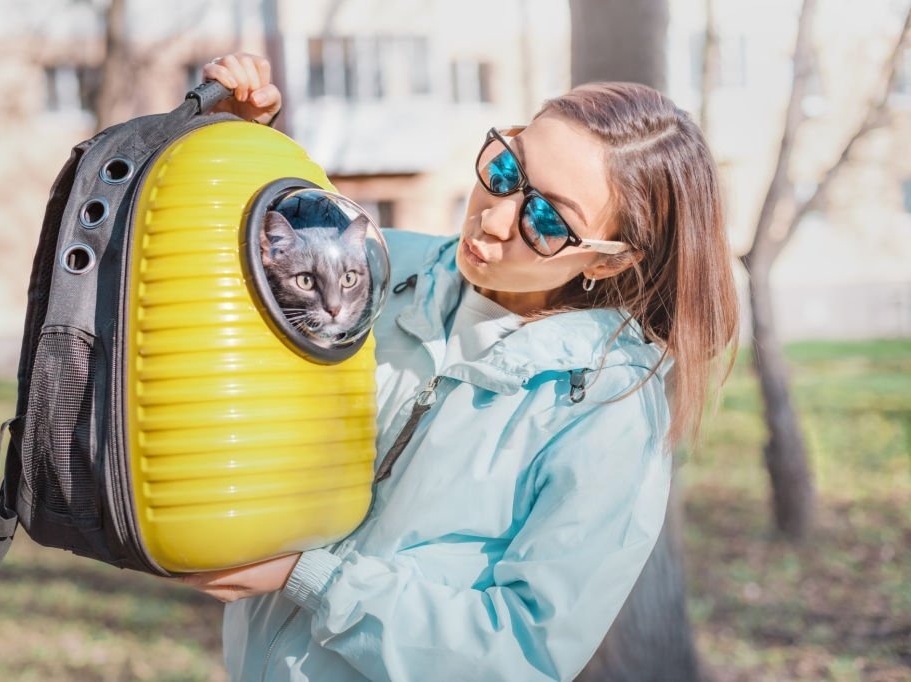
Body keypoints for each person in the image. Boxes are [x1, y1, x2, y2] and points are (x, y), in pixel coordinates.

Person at [179, 53, 739, 681]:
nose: (494, 218)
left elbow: (525, 650)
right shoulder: (379, 272)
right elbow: (225, 296)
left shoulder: (605, 411)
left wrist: (310, 577)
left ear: (605, 262)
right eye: (506, 169)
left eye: (548, 220)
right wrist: (240, 145)